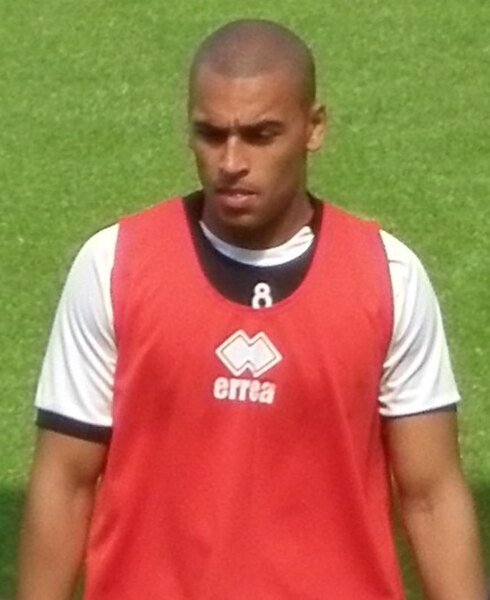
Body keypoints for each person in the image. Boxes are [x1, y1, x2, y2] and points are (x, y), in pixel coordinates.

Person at [16, 18, 486, 600]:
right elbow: (66, 479)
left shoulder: (388, 277)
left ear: (314, 129)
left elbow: (432, 494)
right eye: (211, 134)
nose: (231, 162)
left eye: (261, 135)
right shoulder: (113, 265)